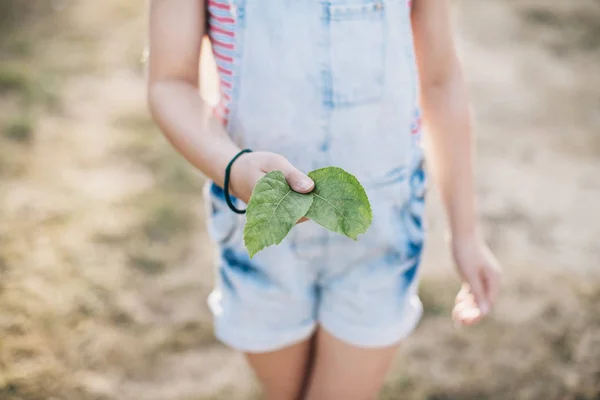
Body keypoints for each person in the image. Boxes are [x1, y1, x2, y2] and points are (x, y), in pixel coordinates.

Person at [147, 0, 502, 398]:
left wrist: (466, 233)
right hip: (263, 230)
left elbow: (439, 80)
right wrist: (233, 166)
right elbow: (169, 81)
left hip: (377, 229)